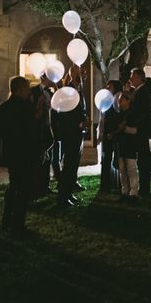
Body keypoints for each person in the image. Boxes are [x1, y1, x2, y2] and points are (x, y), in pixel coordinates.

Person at [0, 76, 40, 233]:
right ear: (21, 89)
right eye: (27, 88)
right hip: (25, 153)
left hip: (10, 152)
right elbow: (33, 130)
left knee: (14, 185)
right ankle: (17, 223)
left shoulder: (3, 108)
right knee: (23, 188)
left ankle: (6, 219)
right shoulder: (25, 107)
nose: (29, 91)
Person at [51, 65, 88, 208]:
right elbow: (66, 115)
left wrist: (84, 119)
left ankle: (68, 193)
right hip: (71, 134)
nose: (85, 75)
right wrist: (80, 123)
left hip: (77, 134)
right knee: (69, 166)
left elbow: (80, 110)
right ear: (74, 74)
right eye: (82, 72)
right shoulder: (69, 91)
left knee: (73, 166)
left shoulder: (79, 89)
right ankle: (63, 197)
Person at [128, 68, 151, 197]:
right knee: (142, 160)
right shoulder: (138, 91)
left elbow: (143, 112)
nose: (130, 78)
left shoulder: (142, 92)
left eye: (132, 76)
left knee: (143, 161)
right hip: (140, 130)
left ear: (139, 78)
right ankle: (144, 188)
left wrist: (132, 120)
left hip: (141, 131)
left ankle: (144, 189)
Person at [114, 91, 140, 202]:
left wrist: (124, 128)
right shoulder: (119, 114)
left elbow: (135, 131)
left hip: (130, 144)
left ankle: (133, 193)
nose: (119, 101)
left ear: (128, 101)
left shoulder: (133, 114)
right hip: (121, 144)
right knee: (122, 170)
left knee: (131, 169)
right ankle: (124, 191)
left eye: (122, 99)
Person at [98, 80, 123, 192]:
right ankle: (105, 184)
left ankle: (118, 183)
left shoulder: (119, 99)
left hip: (116, 132)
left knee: (118, 159)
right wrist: (101, 133)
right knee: (106, 158)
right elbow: (102, 118)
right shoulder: (106, 100)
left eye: (110, 87)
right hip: (107, 132)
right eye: (107, 86)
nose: (108, 88)